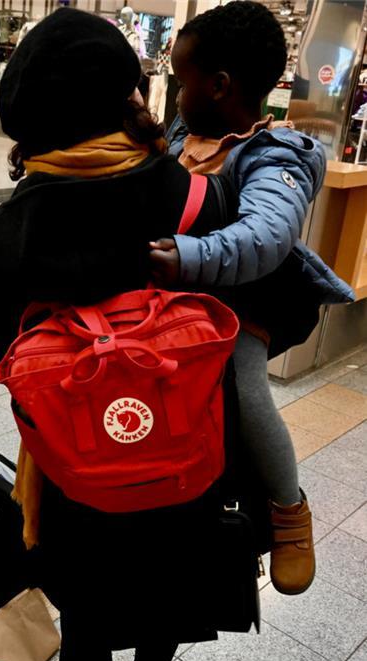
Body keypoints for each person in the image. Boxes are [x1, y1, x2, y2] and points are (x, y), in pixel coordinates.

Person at [0, 10, 239, 661]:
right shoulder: (199, 200)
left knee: (85, 623)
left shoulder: (3, 235)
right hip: (185, 456)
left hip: (76, 470)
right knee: (164, 616)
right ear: (130, 98)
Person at [151, 0, 353, 596]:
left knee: (243, 379)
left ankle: (289, 509)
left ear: (219, 86)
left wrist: (187, 256)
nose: (174, 92)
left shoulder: (273, 156)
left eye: (182, 81)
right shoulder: (186, 130)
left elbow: (264, 236)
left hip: (244, 300)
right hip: (178, 299)